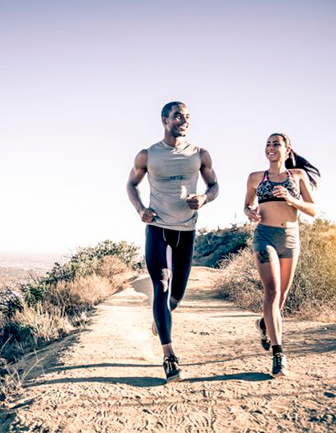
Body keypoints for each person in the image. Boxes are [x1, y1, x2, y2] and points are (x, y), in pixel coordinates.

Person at [126, 101, 218, 382]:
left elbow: (214, 186)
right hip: (157, 228)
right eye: (179, 115)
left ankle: (161, 318)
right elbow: (131, 184)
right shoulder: (148, 155)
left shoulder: (199, 154)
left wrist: (203, 198)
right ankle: (169, 356)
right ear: (165, 119)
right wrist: (141, 210)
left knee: (176, 295)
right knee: (161, 286)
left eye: (188, 116)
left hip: (186, 231)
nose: (184, 120)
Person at [243, 132, 320, 377]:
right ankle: (278, 355)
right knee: (272, 291)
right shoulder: (256, 177)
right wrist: (250, 213)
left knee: (282, 297)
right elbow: (246, 205)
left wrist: (292, 200)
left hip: (290, 238)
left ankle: (264, 324)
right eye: (267, 144)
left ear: (287, 149)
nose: (271, 147)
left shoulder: (298, 176)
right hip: (264, 237)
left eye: (276, 144)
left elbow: (313, 210)